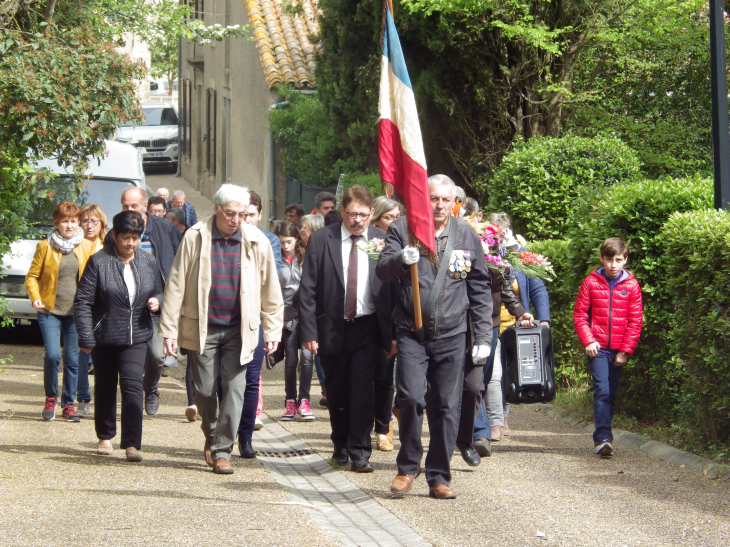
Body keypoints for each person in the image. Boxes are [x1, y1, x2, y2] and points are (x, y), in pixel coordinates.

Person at [376, 175, 493, 500]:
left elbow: (480, 286)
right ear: (421, 199)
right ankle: (408, 467)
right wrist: (401, 260)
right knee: (411, 398)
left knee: (445, 405)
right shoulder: (402, 230)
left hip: (453, 334)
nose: (439, 205)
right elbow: (382, 270)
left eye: (445, 199)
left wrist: (482, 334)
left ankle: (439, 475)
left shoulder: (466, 234)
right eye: (433, 199)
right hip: (412, 333)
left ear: (453, 201)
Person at [159, 184, 283, 474]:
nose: (236, 219)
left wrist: (274, 331)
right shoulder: (195, 237)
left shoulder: (256, 240)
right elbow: (176, 284)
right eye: (230, 213)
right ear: (216, 209)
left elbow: (270, 289)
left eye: (241, 214)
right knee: (203, 389)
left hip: (242, 330)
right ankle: (212, 434)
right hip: (202, 327)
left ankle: (222, 449)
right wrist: (169, 330)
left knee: (236, 389)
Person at [299, 185, 396, 473]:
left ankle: (360, 451)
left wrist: (391, 333)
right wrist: (309, 332)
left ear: (371, 215)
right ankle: (340, 445)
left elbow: (392, 290)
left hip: (368, 327)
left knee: (363, 389)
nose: (357, 220)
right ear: (342, 211)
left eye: (363, 215)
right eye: (352, 214)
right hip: (331, 326)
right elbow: (308, 290)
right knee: (337, 390)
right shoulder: (321, 240)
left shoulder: (382, 240)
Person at [75, 211, 163, 461]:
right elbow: (82, 302)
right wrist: (86, 337)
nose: (130, 244)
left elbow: (160, 290)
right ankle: (105, 436)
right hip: (104, 336)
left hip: (137, 335)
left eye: (135, 238)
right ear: (113, 235)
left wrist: (158, 300)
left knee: (133, 386)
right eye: (125, 237)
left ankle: (132, 444)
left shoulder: (148, 262)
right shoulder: (98, 262)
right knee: (105, 386)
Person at [111, 187, 180, 416]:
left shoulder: (163, 227)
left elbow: (179, 260)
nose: (130, 210)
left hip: (157, 304)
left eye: (134, 206)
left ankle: (151, 389)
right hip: (125, 306)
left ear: (144, 207)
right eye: (125, 206)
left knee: (157, 355)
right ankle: (130, 395)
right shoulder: (113, 232)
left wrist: (166, 295)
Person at [25, 202, 96, 422]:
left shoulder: (86, 246)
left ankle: (68, 405)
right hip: (50, 310)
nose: (69, 225)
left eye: (73, 221)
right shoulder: (45, 247)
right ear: (56, 223)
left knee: (73, 359)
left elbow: (95, 277)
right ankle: (50, 398)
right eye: (65, 221)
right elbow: (31, 277)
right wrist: (35, 297)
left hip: (77, 313)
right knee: (53, 355)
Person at [574, 237, 643, 457]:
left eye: (618, 260)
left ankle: (604, 435)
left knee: (611, 394)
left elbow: (635, 321)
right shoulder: (590, 282)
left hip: (619, 349)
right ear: (602, 259)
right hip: (598, 347)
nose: (613, 265)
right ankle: (603, 438)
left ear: (625, 260)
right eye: (609, 260)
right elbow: (580, 314)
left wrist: (625, 351)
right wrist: (588, 340)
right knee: (601, 391)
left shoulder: (631, 285)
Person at [490, 211, 551, 439]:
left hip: (517, 329)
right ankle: (495, 423)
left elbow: (538, 289)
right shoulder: (486, 255)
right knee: (494, 374)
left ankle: (503, 418)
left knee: (508, 374)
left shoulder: (522, 256)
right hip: (490, 324)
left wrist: (543, 319)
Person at [234, 190, 282, 457]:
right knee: (223, 381)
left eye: (251, 215)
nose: (245, 221)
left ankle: (246, 436)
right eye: (242, 215)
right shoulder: (224, 238)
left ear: (259, 215)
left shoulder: (268, 240)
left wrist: (272, 328)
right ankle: (222, 433)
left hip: (254, 318)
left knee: (252, 379)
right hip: (226, 319)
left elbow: (270, 278)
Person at [369, 195, 402, 451]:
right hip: (362, 315)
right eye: (388, 217)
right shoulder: (367, 242)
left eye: (397, 217)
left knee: (383, 376)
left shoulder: (402, 243)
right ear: (376, 217)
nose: (394, 222)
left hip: (388, 318)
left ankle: (383, 427)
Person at [275, 220, 315, 422]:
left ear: (296, 239)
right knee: (291, 360)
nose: (285, 246)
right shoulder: (275, 259)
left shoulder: (306, 256)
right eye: (281, 242)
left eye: (289, 241)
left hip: (307, 314)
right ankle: (290, 400)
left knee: (307, 358)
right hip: (286, 315)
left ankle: (305, 399)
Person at [75, 203, 109, 416]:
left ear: (101, 223)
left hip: (105, 307)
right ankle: (83, 397)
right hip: (83, 305)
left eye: (93, 221)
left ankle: (103, 396)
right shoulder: (74, 246)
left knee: (104, 356)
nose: (89, 225)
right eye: (84, 221)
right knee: (82, 354)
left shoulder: (108, 246)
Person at [297, 213, 327, 405]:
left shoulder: (324, 250)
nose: (300, 230)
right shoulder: (297, 249)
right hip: (300, 312)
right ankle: (303, 398)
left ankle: (326, 390)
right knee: (305, 358)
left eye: (304, 227)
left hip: (320, 312)